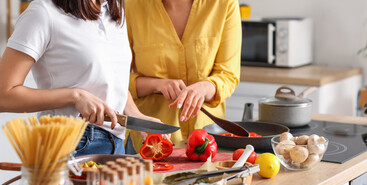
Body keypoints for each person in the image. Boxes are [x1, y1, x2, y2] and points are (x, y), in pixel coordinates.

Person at [0, 0, 162, 156]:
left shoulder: (114, 11)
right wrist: (75, 96)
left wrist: (136, 116)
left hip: (115, 144)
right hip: (69, 143)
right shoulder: (42, 12)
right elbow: (4, 96)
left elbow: (110, 79)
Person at [125, 0, 242, 152]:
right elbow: (115, 79)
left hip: (207, 141)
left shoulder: (224, 4)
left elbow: (228, 75)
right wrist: (155, 85)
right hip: (148, 139)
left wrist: (205, 87)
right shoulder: (131, 6)